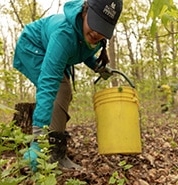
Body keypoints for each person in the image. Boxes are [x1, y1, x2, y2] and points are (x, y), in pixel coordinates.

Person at [13, 0, 123, 171]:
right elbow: (48, 83)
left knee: (64, 92)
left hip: (50, 45)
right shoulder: (63, 35)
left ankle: (53, 142)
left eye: (103, 27)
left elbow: (81, 50)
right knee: (60, 89)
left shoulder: (94, 36)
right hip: (32, 46)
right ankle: (51, 152)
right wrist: (37, 139)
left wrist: (97, 67)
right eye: (95, 23)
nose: (97, 32)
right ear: (85, 11)